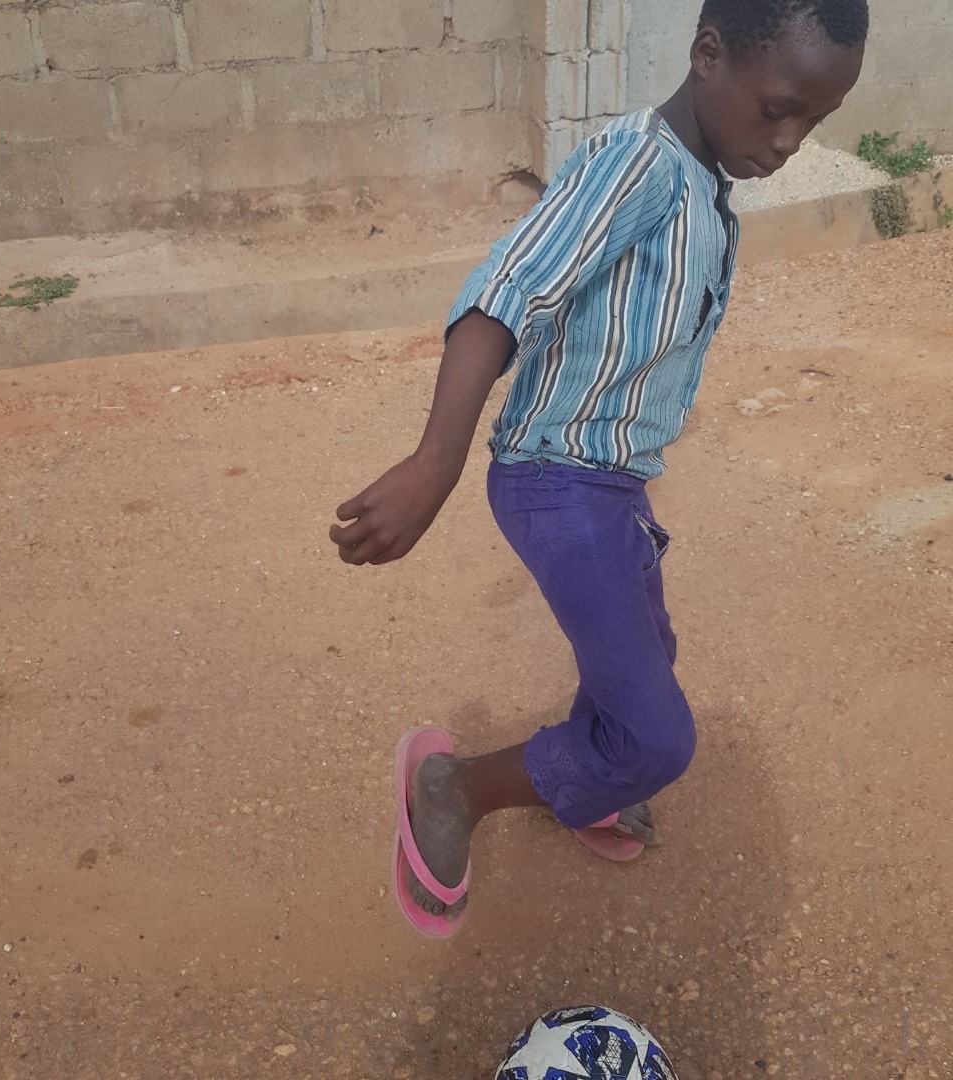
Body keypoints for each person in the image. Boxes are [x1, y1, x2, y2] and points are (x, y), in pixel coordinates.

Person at [331, 0, 868, 938]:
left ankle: (587, 779)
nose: (789, 142)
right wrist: (434, 461)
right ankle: (455, 787)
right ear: (708, 54)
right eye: (779, 109)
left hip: (610, 484)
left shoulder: (701, 185)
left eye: (813, 122)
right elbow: (509, 290)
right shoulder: (637, 167)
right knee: (656, 736)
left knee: (648, 660)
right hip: (558, 482)